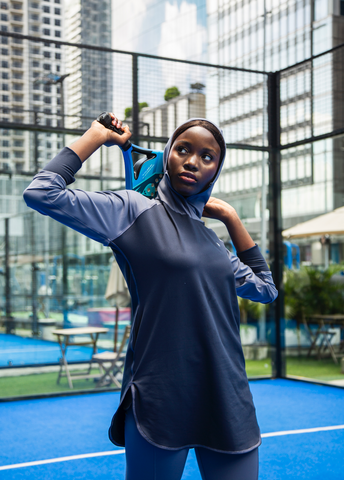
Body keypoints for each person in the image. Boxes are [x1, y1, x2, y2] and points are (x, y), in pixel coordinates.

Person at [23, 113, 278, 480]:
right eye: (183, 150)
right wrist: (94, 137)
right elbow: (41, 191)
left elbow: (266, 288)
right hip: (160, 397)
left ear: (216, 170)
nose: (193, 162)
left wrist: (230, 216)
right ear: (166, 155)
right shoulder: (131, 209)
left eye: (208, 157)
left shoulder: (214, 244)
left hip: (227, 395)